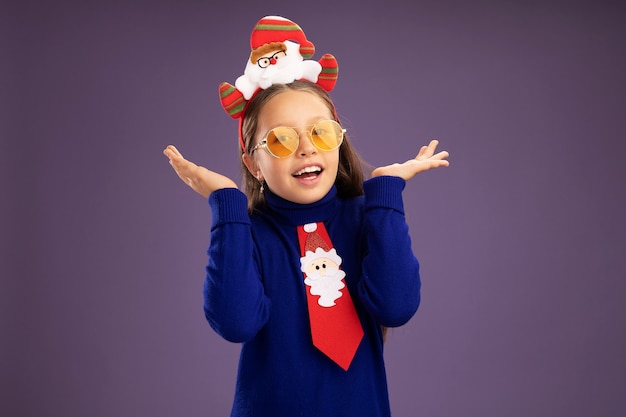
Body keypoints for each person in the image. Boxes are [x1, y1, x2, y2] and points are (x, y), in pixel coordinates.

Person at [163, 15, 449, 417]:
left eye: (322, 132)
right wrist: (226, 202)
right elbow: (235, 323)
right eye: (281, 139)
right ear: (254, 164)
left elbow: (397, 305)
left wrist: (385, 191)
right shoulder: (251, 234)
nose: (306, 149)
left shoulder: (367, 218)